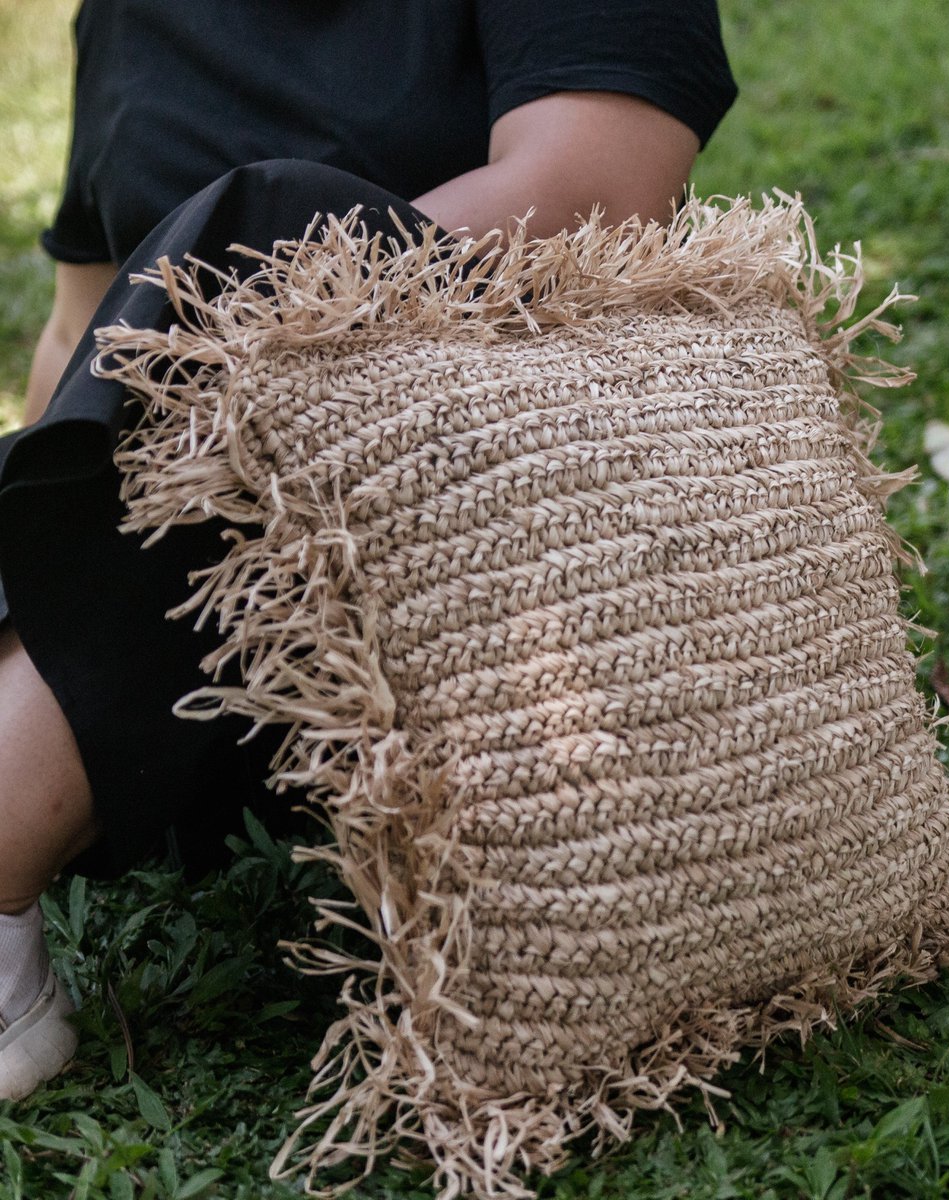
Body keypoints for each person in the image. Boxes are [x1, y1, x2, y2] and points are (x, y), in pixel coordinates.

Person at [0, 0, 737, 1100]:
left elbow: (599, 187)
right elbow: (81, 333)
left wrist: (237, 353)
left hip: (500, 569)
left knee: (268, 229)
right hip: (205, 665)